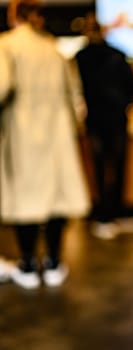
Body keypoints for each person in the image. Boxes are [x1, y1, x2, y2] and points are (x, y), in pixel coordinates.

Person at [0, 0, 90, 289]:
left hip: (23, 133)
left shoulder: (6, 45)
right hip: (58, 134)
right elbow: (77, 100)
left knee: (26, 199)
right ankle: (52, 261)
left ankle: (27, 264)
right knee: (55, 200)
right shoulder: (54, 49)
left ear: (14, 14)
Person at [75, 13, 133, 240]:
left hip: (95, 119)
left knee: (100, 167)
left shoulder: (79, 59)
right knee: (118, 165)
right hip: (116, 117)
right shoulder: (117, 55)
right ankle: (116, 214)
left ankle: (104, 217)